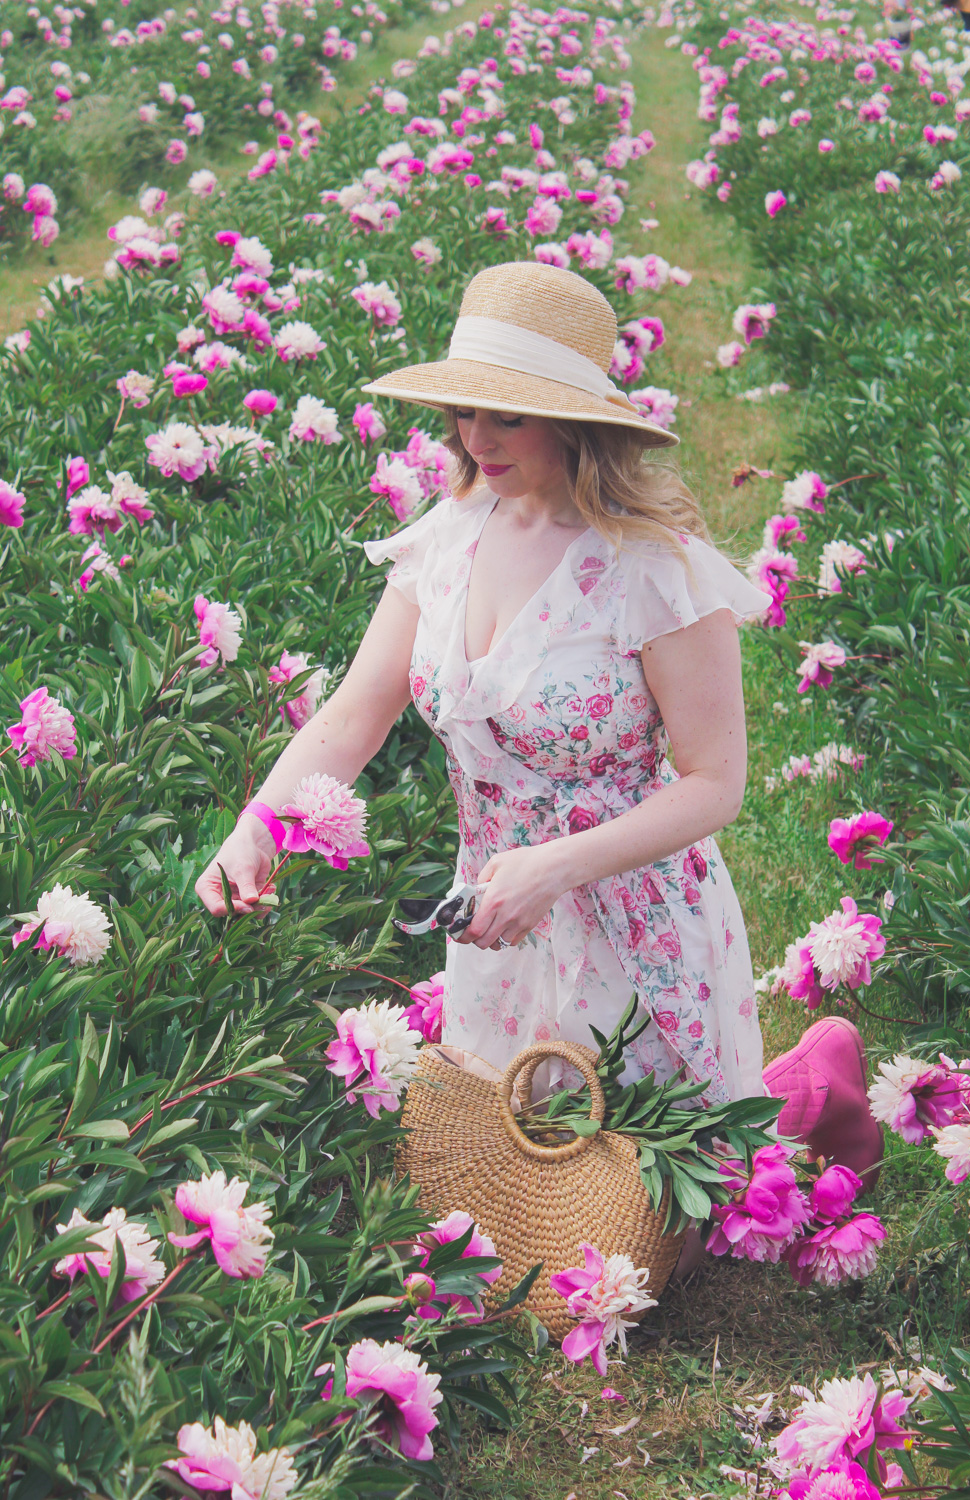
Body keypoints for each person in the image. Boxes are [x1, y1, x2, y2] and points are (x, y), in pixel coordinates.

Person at [195, 261, 881, 1198]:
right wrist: (257, 828)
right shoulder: (446, 540)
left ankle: (812, 1086)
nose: (477, 439)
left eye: (506, 415)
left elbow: (716, 782)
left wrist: (561, 864)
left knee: (660, 1212)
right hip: (496, 925)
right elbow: (355, 713)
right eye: (465, 413)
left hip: (635, 912)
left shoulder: (653, 569)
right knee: (510, 1210)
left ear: (575, 417)